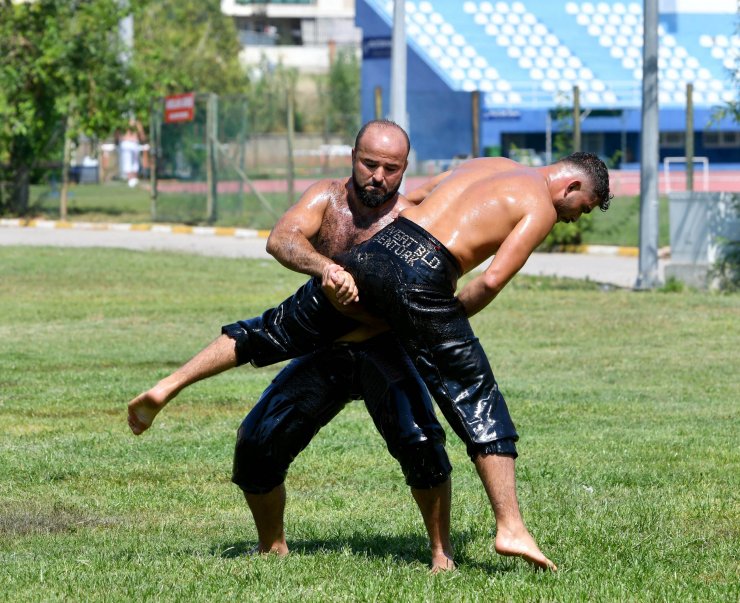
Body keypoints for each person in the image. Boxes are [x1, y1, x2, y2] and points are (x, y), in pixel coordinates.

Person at [196, 151, 612, 572]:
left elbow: (419, 199)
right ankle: (510, 526)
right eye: (584, 208)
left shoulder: (492, 161)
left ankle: (443, 553)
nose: (576, 218)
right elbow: (489, 280)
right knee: (473, 394)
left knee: (412, 436)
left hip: (379, 300)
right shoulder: (540, 204)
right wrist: (436, 321)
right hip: (388, 309)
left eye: (389, 167)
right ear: (572, 187)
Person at [129, 120, 455, 572]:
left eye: (391, 168)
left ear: (404, 170)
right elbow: (281, 238)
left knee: (420, 441)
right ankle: (272, 546)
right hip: (324, 341)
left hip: (386, 346)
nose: (377, 176)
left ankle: (442, 553)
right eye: (369, 163)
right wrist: (327, 269)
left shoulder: (415, 213)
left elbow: (472, 185)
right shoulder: (327, 197)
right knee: (257, 441)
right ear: (352, 157)